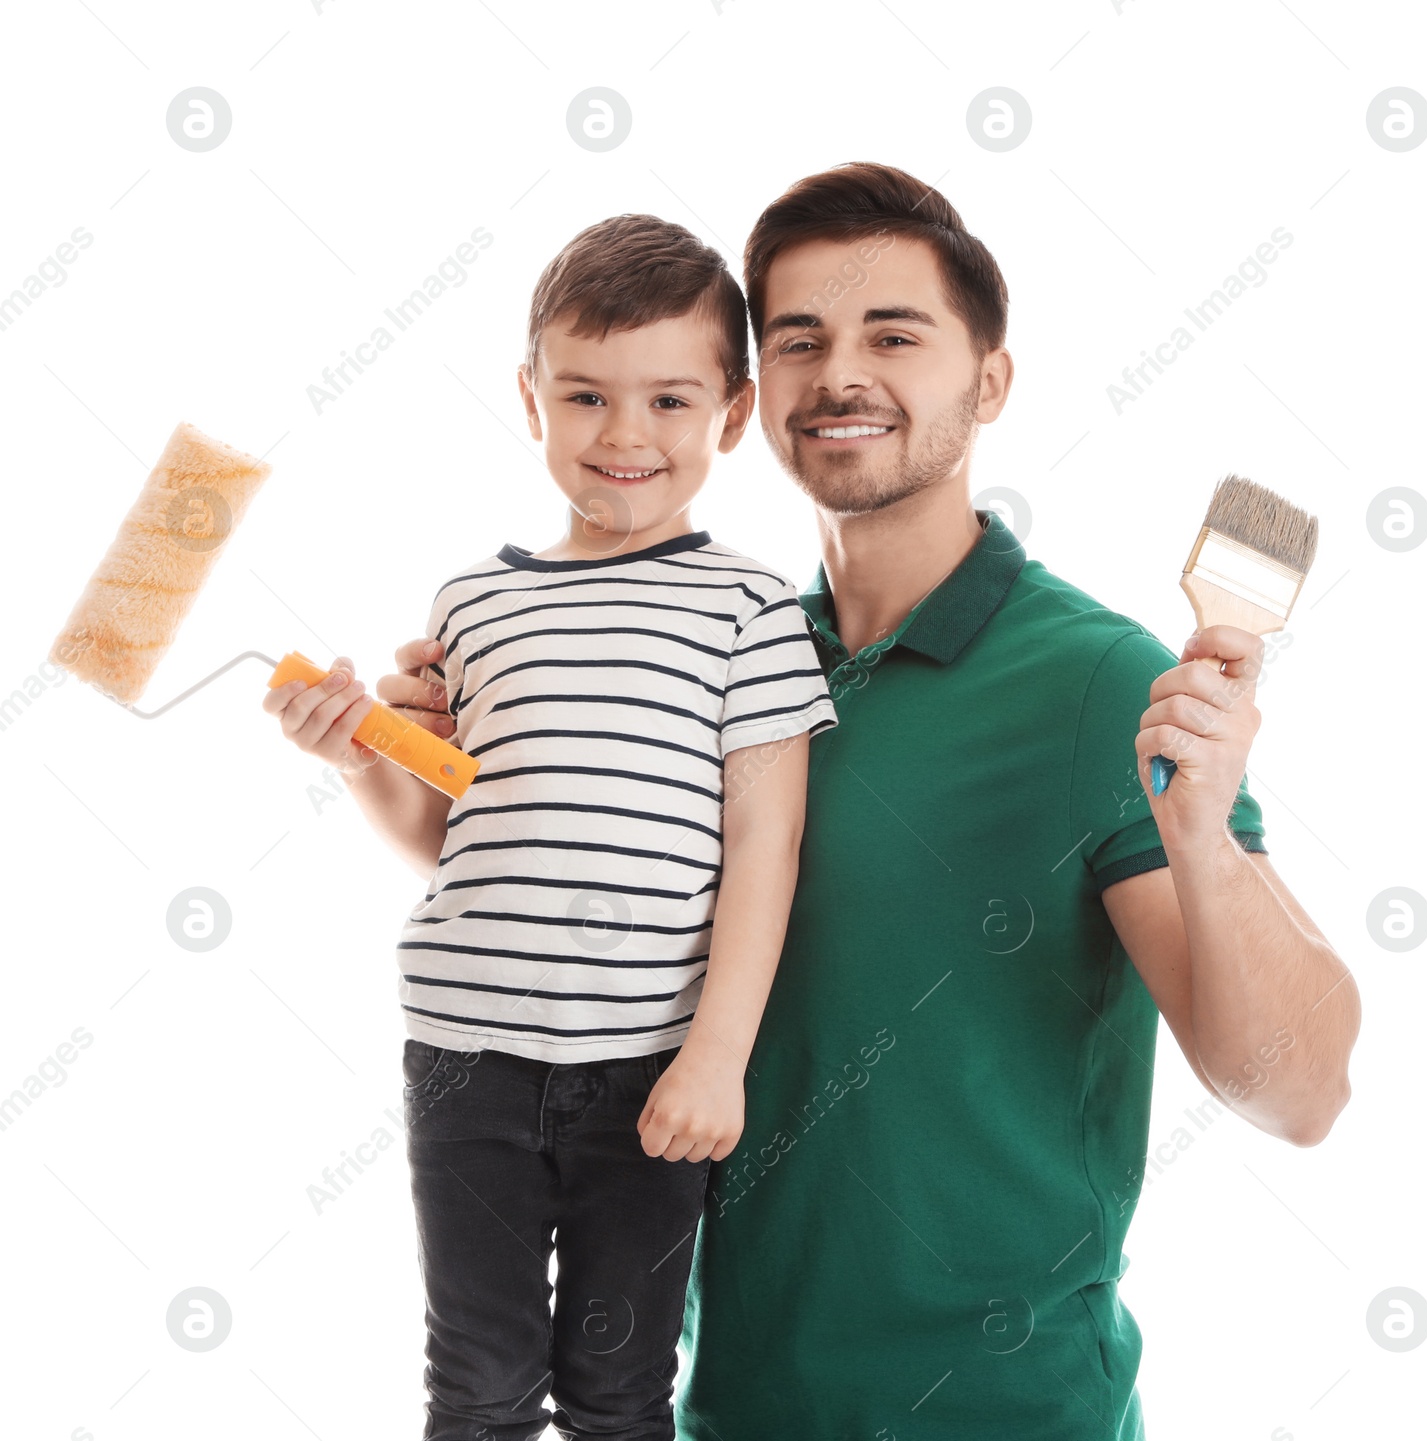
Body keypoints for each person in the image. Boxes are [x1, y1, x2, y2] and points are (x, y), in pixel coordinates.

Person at [377, 164, 1362, 1439]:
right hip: (719, 1410)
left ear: (989, 380)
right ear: (756, 397)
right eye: (800, 340)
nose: (841, 374)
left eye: (894, 335)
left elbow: (1300, 1094)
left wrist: (1201, 840)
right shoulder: (729, 659)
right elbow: (581, 911)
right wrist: (413, 760)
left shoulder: (1097, 682)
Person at [262, 213, 837, 1440]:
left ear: (731, 415)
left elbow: (767, 847)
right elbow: (454, 832)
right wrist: (357, 755)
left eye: (668, 402)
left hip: (651, 1067)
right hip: (462, 1051)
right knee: (474, 1378)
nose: (624, 437)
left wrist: (718, 1054)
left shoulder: (748, 608)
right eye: (584, 396)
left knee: (618, 1389)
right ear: (530, 400)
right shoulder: (471, 602)